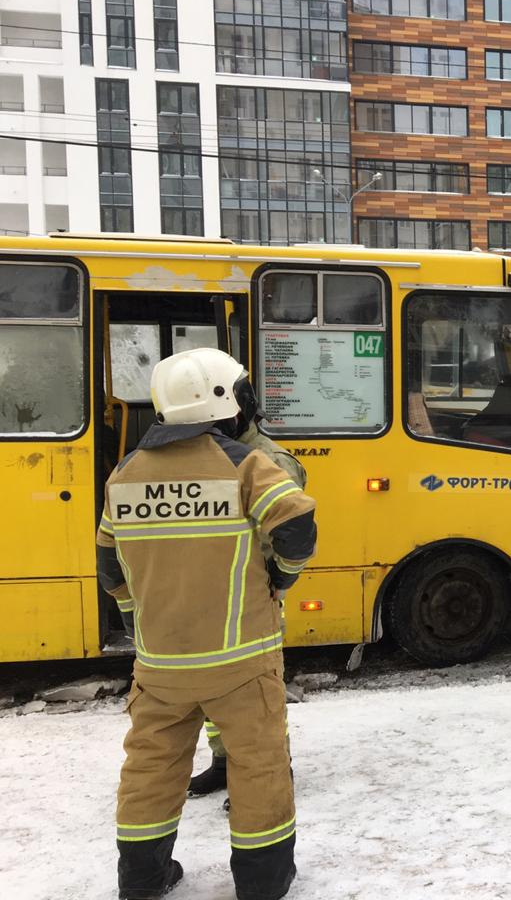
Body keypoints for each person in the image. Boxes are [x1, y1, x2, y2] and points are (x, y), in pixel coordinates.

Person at [97, 348, 317, 900]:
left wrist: (139, 622)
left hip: (161, 665)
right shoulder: (245, 464)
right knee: (259, 763)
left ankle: (143, 879)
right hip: (242, 657)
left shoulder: (123, 476)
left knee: (151, 767)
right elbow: (297, 527)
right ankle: (263, 882)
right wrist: (279, 580)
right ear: (224, 400)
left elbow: (110, 568)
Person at [188, 394, 307, 803]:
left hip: (254, 596)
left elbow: (289, 533)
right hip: (214, 594)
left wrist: (275, 581)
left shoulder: (269, 460)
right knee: (212, 690)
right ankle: (224, 762)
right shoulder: (217, 454)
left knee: (260, 695)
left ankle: (275, 769)